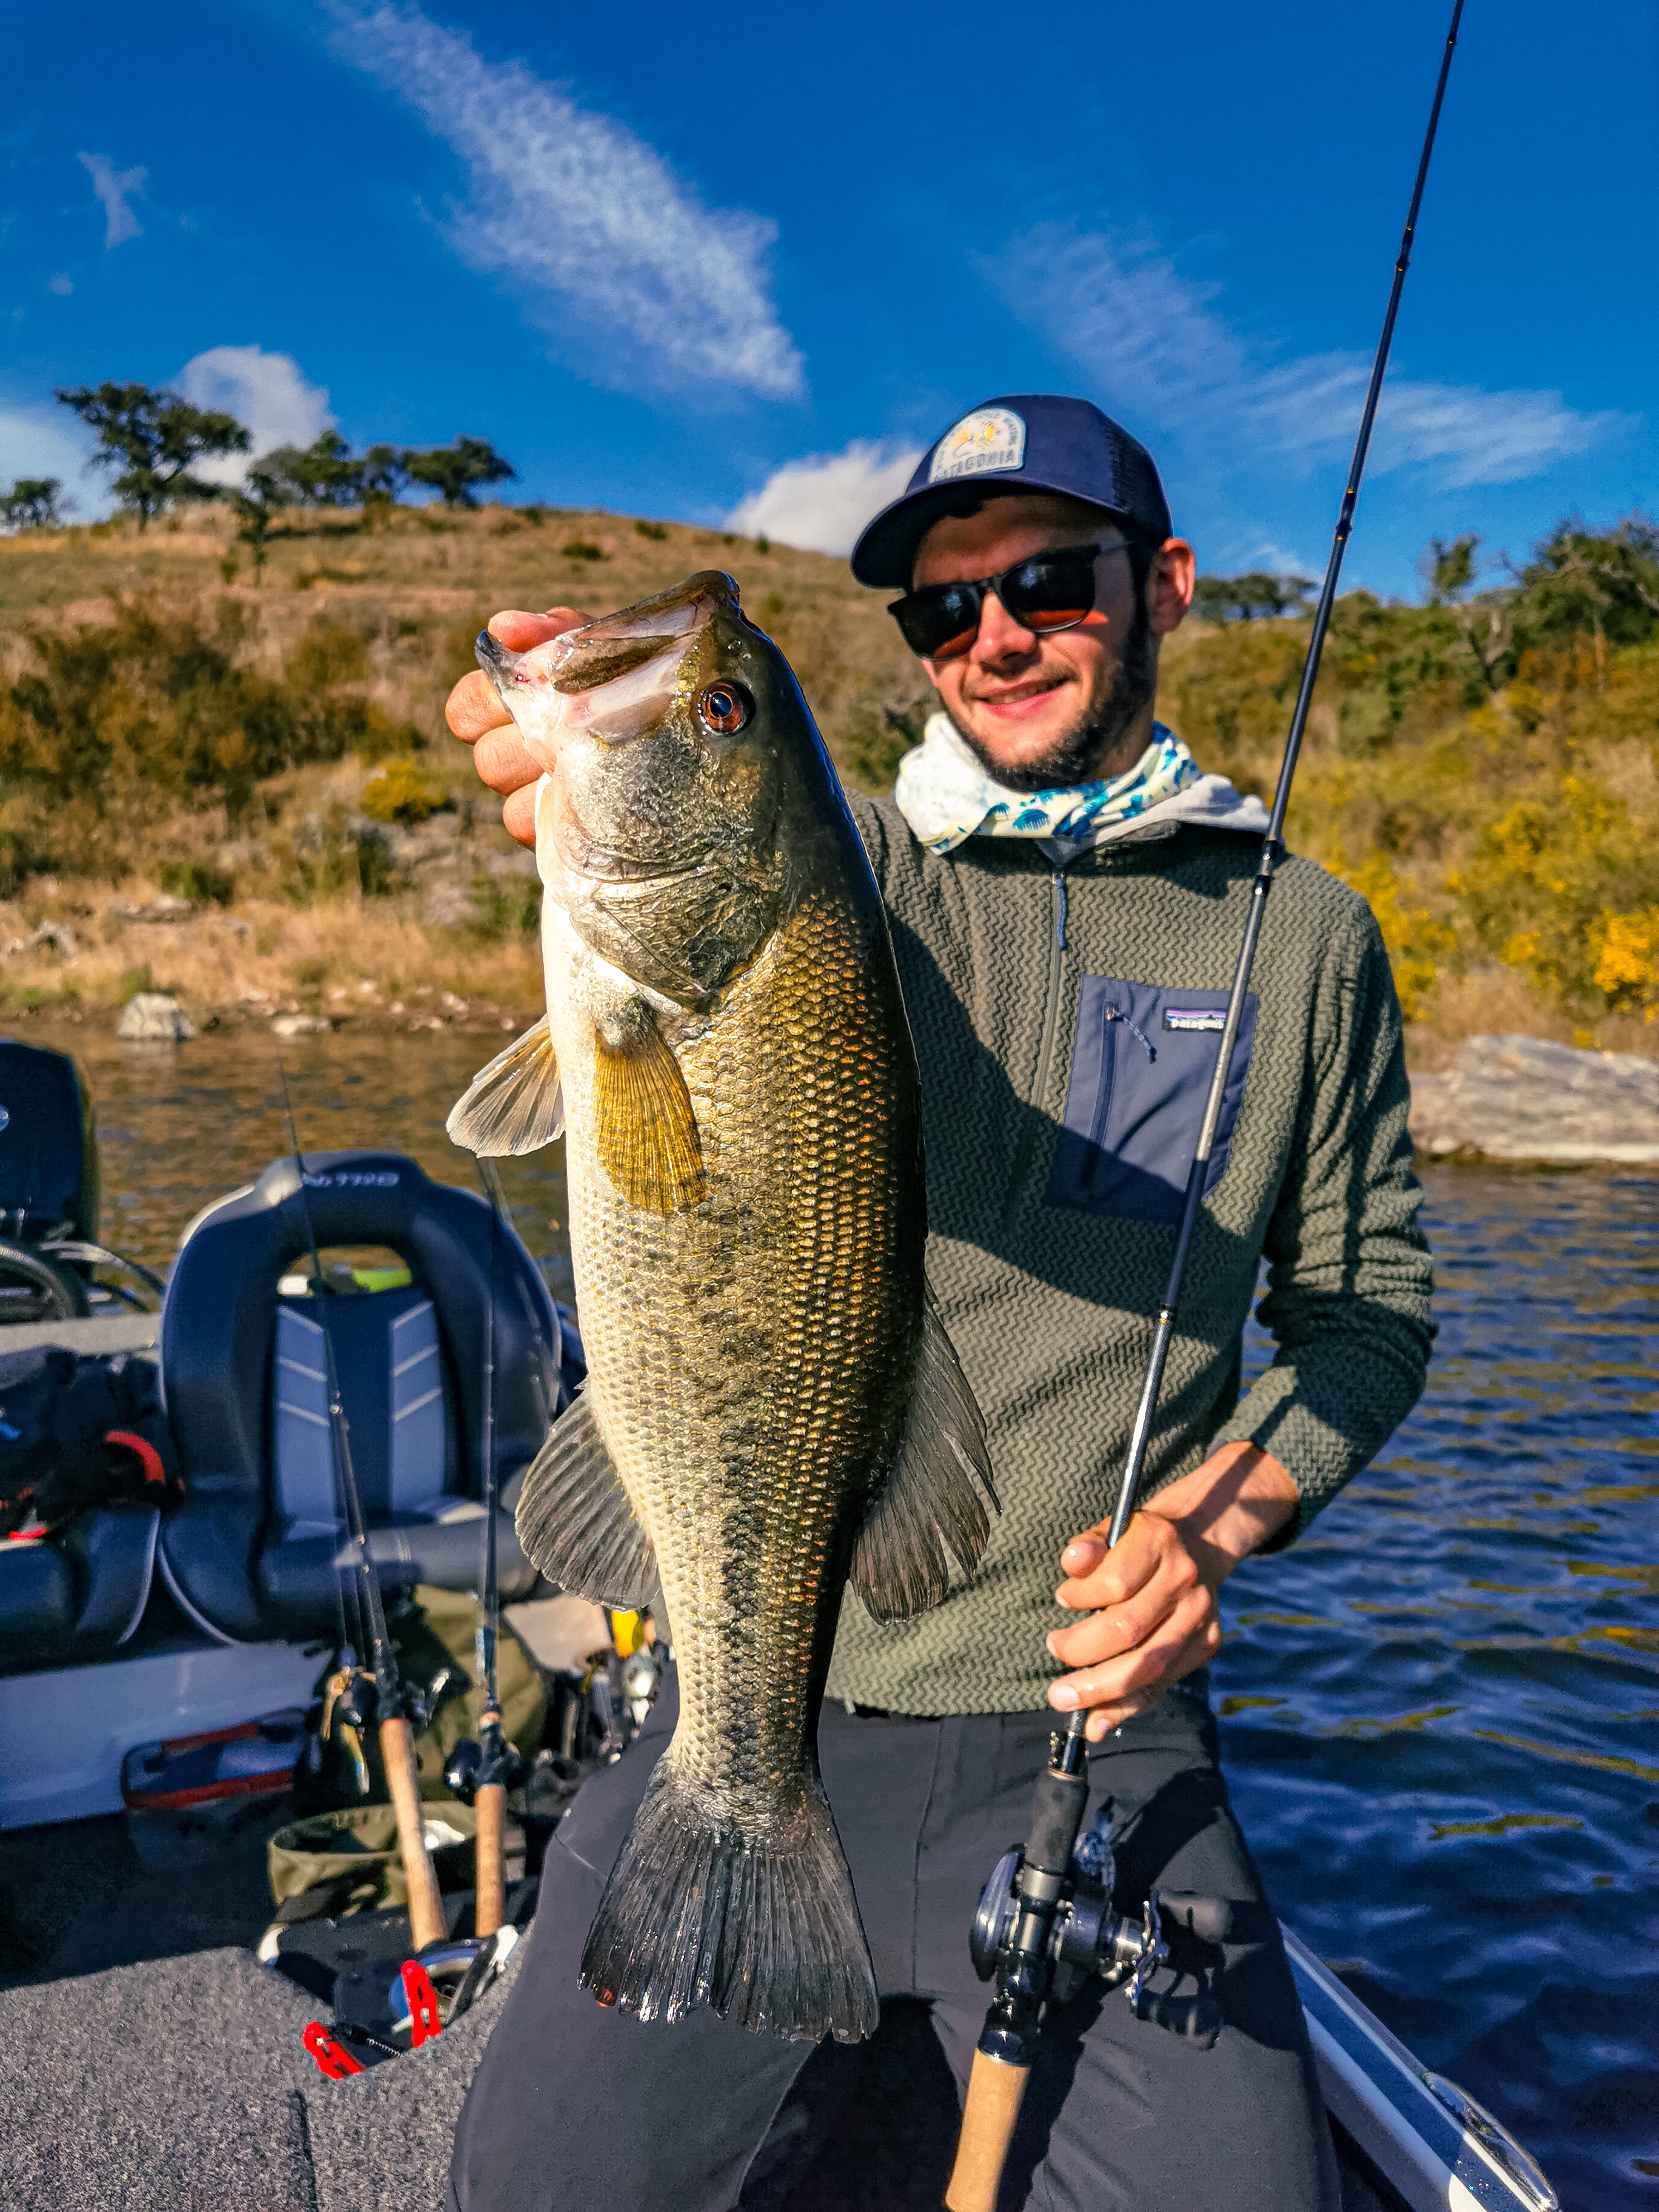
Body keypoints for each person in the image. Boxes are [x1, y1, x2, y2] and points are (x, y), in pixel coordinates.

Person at [441, 395, 1433, 2210]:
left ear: (1166, 587)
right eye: (942, 610)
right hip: (752, 1702)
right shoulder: (854, 878)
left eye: (1049, 581)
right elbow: (680, 826)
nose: (994, 636)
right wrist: (552, 745)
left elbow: (1371, 1318)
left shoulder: (1305, 939)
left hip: (1090, 1738)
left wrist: (1218, 1524)